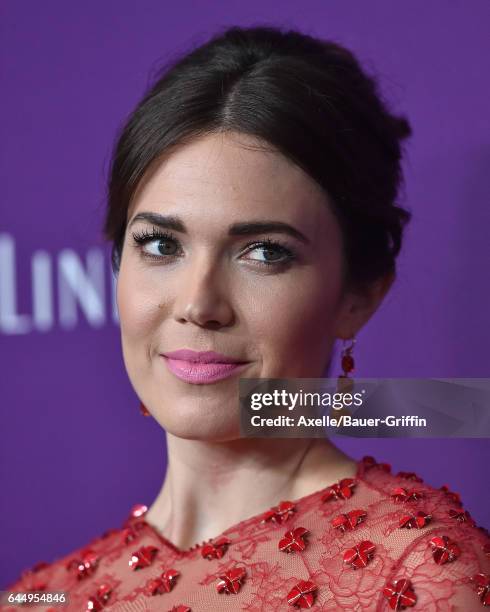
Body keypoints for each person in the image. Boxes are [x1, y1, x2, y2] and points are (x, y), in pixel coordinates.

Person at [4, 25, 488, 612]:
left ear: (358, 295)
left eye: (265, 252)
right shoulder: (40, 600)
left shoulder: (422, 575)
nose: (198, 304)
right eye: (160, 244)